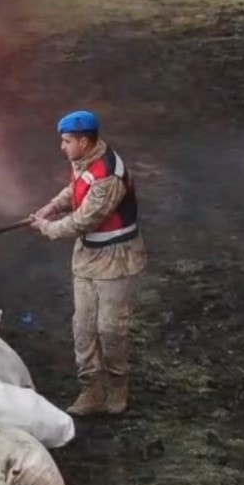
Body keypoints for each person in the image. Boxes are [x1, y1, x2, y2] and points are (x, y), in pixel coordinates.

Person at [29, 109, 146, 418]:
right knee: (83, 328)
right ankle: (91, 390)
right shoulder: (85, 161)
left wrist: (47, 227)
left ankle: (117, 387)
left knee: (110, 329)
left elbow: (85, 219)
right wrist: (51, 207)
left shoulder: (109, 175)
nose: (62, 147)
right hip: (87, 257)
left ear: (83, 141)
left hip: (116, 260)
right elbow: (75, 190)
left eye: (67, 141)